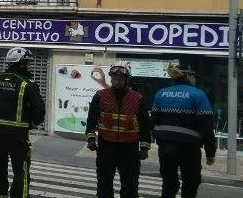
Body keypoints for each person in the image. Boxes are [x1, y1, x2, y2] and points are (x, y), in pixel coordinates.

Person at [0, 46, 46, 198]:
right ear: (21, 64)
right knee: (21, 173)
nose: (30, 66)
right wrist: (30, 124)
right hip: (18, 137)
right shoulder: (27, 83)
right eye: (28, 63)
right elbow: (39, 110)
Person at [84, 61, 152, 198]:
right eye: (115, 78)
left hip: (129, 150)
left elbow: (145, 125)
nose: (117, 81)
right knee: (104, 184)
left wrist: (144, 147)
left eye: (121, 78)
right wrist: (91, 139)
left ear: (127, 79)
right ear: (111, 78)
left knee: (130, 186)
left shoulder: (137, 99)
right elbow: (91, 120)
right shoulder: (100, 96)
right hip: (106, 148)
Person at [150, 64, 217, 198]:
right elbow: (206, 127)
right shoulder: (198, 95)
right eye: (194, 77)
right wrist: (210, 153)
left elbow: (153, 122)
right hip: (189, 148)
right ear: (188, 76)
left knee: (168, 183)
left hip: (165, 148)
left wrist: (161, 139)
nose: (195, 80)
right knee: (191, 183)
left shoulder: (161, 93)